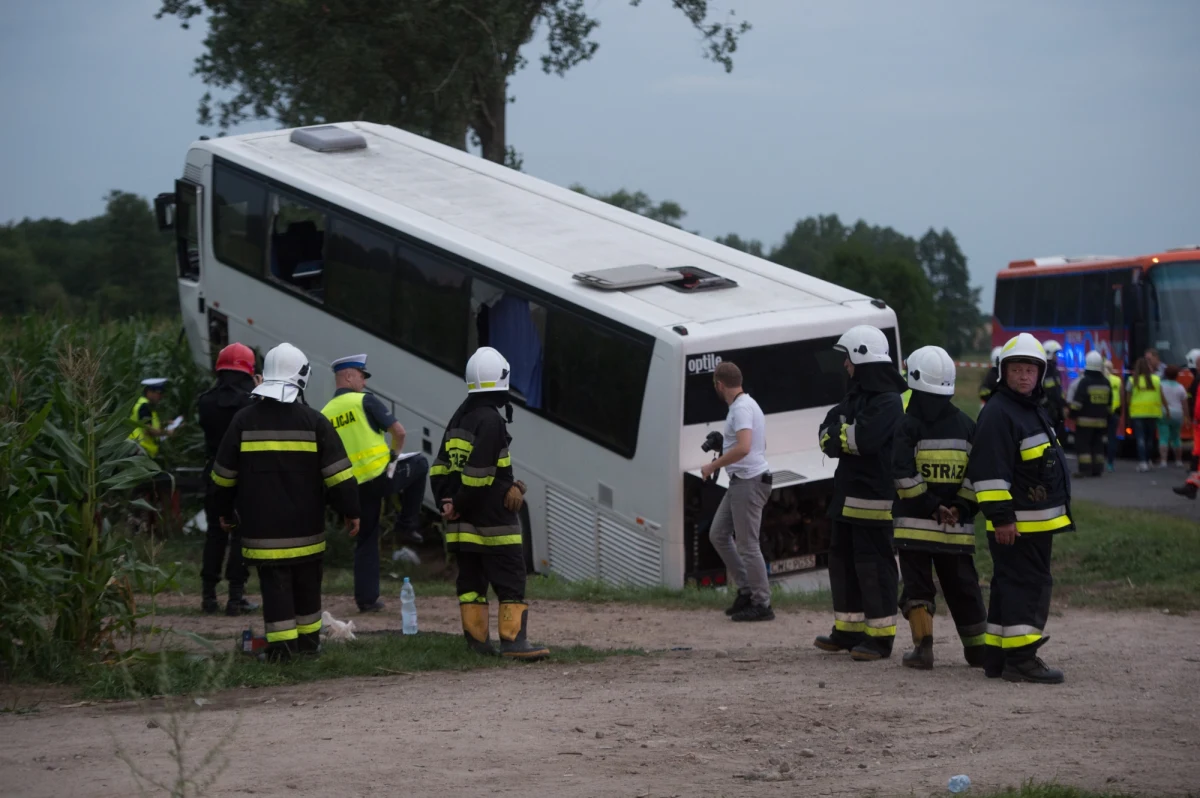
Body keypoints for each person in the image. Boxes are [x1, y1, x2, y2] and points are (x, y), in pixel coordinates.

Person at [210, 343, 360, 662]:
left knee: (275, 588)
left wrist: (223, 511)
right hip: (307, 529)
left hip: (263, 532)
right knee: (308, 585)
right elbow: (339, 476)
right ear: (302, 377)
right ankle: (309, 647)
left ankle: (282, 651)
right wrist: (352, 511)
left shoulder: (243, 421)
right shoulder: (314, 422)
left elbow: (223, 476)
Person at [431, 346, 549, 660]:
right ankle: (513, 642)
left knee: (471, 582)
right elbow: (480, 475)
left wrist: (447, 502)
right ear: (500, 382)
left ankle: (477, 644)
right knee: (511, 577)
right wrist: (460, 500)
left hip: (462, 527)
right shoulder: (491, 421)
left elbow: (439, 468)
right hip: (493, 523)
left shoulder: (460, 417)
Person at [968, 333, 1072, 684]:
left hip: (1032, 523)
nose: (1025, 376)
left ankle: (997, 657)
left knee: (1009, 585)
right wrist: (1002, 519)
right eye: (1017, 369)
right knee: (1027, 586)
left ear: (1040, 374)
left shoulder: (1029, 409)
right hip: (1017, 525)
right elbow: (989, 473)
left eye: (1031, 369)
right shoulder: (1001, 413)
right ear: (1004, 372)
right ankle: (1022, 659)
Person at [814, 325, 907, 662]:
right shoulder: (856, 398)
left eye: (848, 359)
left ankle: (880, 639)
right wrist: (840, 433)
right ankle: (848, 631)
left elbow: (862, 440)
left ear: (861, 358)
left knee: (874, 567)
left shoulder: (888, 401)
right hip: (846, 498)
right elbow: (826, 431)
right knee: (842, 565)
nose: (845, 366)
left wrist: (840, 433)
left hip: (873, 500)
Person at [891, 346, 986, 670]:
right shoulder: (967, 426)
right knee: (964, 588)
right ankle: (977, 650)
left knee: (918, 588)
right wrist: (959, 508)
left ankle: (923, 650)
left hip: (914, 527)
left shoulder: (906, 426)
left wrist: (931, 507)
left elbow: (902, 475)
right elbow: (978, 476)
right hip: (955, 530)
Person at [320, 354, 430, 613]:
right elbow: (399, 432)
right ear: (348, 376)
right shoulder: (364, 401)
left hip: (349, 488)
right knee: (421, 464)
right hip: (380, 478)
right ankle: (406, 525)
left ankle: (367, 600)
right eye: (361, 376)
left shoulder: (324, 413)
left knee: (366, 538)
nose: (364, 383)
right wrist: (392, 457)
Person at [700, 361, 774, 622]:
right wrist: (725, 444)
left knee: (747, 544)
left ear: (719, 385)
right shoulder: (747, 405)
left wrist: (713, 465)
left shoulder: (741, 409)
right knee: (718, 534)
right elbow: (755, 444)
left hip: (749, 483)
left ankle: (761, 603)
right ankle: (746, 591)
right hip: (742, 481)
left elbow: (744, 448)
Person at [197, 343, 261, 615]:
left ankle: (208, 596)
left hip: (214, 472)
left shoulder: (205, 400)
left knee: (215, 533)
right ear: (249, 371)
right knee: (241, 535)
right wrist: (259, 391)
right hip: (244, 475)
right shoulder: (252, 402)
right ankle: (236, 597)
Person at [128, 377, 177, 532]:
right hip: (139, 452)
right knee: (140, 489)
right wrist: (166, 432)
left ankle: (139, 523)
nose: (160, 396)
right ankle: (136, 523)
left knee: (142, 488)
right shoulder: (143, 406)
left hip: (143, 453)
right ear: (149, 392)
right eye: (157, 392)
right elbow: (149, 430)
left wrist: (163, 424)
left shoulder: (146, 406)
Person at [1065, 351, 1112, 478]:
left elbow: (1077, 403)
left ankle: (1085, 470)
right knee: (1098, 445)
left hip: (1084, 421)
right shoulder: (1106, 382)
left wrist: (1071, 414)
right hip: (1101, 421)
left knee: (1083, 446)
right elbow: (1109, 403)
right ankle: (1097, 469)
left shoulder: (1084, 382)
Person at [1126, 357, 1163, 472]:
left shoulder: (1132, 380)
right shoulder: (1156, 379)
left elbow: (1128, 398)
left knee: (1140, 438)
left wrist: (1129, 408)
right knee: (1150, 439)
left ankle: (1142, 463)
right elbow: (1161, 395)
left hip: (1137, 412)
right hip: (1153, 412)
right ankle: (1149, 460)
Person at [1159, 366, 1189, 468]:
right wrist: (1187, 417)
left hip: (1164, 413)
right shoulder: (1180, 387)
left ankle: (1163, 461)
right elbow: (1184, 403)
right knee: (1176, 437)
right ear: (1177, 375)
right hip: (1177, 414)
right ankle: (1178, 461)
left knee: (1163, 437)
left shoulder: (1161, 385)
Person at [1040, 340, 1067, 442]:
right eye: (1056, 354)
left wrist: (1063, 405)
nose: (1057, 357)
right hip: (1047, 413)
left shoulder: (1055, 371)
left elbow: (1058, 391)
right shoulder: (1042, 371)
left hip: (1057, 414)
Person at [1103, 359, 1122, 473]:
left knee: (1099, 437)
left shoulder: (1102, 380)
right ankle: (1110, 463)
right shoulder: (1117, 380)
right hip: (1114, 411)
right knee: (1112, 438)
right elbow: (1121, 396)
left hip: (1102, 412)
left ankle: (1099, 460)